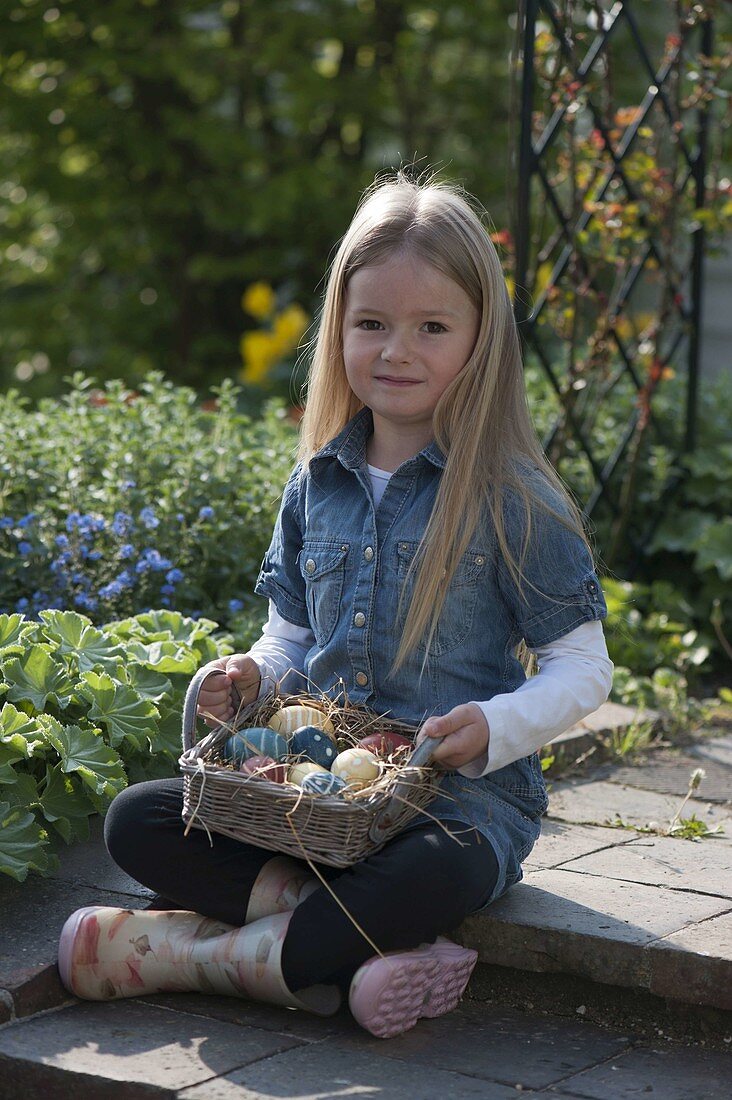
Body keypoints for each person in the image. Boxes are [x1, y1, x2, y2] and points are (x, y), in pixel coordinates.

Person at [57, 172, 613, 1039]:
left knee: (434, 873)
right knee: (137, 820)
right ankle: (343, 951)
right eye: (372, 324)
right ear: (339, 330)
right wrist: (246, 673)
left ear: (481, 339)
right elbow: (293, 636)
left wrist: (496, 726)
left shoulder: (512, 498)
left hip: (454, 805)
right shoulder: (317, 482)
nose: (398, 350)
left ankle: (191, 954)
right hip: (307, 798)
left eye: (433, 327)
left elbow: (584, 668)